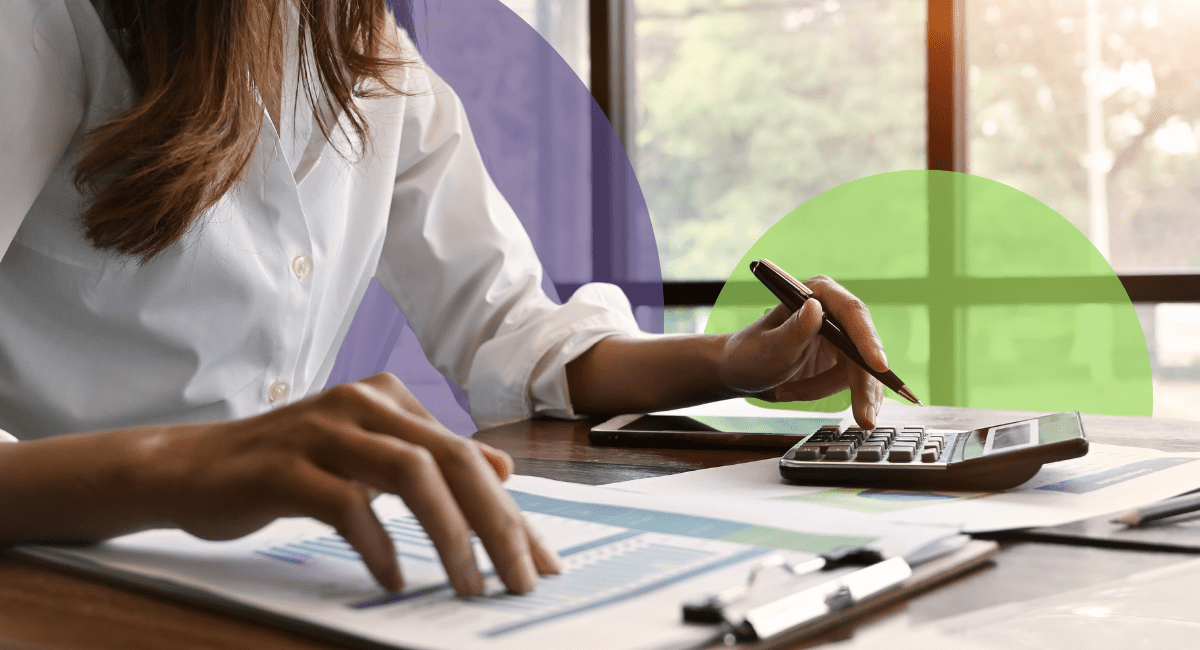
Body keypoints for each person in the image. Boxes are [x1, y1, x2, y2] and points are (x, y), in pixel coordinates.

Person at [0, 0, 890, 598]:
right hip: (52, 587)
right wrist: (181, 467)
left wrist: (733, 362)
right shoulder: (39, 25)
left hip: (268, 581)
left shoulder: (363, 46)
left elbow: (510, 331)